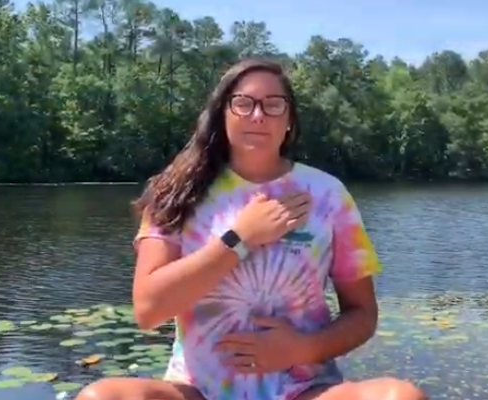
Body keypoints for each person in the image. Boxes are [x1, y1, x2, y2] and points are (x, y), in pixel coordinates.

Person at [75, 58, 428, 400]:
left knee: (401, 397)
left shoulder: (328, 195)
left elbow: (362, 314)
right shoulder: (175, 191)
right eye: (243, 103)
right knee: (101, 397)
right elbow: (148, 309)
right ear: (222, 114)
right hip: (198, 390)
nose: (258, 115)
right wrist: (239, 238)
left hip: (305, 390)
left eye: (273, 105)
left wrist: (303, 348)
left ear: (289, 119)